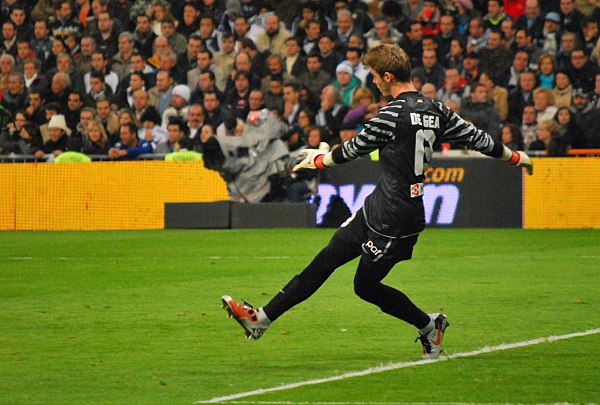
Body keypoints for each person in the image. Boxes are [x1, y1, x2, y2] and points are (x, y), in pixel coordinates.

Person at [222, 44, 533, 359]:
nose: (374, 83)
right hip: (379, 206)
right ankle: (260, 318)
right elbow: (480, 139)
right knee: (325, 259)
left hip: (397, 218)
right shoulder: (438, 110)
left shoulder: (391, 114)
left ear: (387, 76)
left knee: (365, 287)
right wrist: (517, 157)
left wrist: (318, 161)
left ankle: (429, 326)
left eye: (374, 77)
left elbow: (354, 148)